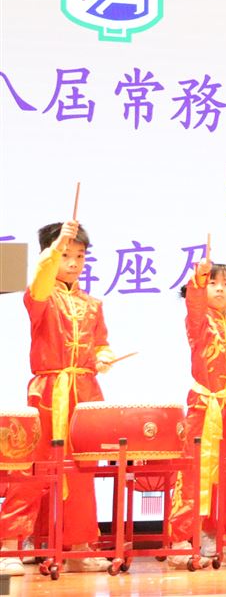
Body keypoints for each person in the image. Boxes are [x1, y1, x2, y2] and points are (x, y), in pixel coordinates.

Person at [0, 220, 114, 575]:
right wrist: (55, 248)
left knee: (81, 469)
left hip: (84, 392)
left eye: (79, 256)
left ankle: (78, 545)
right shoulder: (40, 296)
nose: (73, 262)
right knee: (34, 466)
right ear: (50, 256)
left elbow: (101, 343)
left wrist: (103, 358)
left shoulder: (92, 304)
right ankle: (11, 545)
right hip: (50, 391)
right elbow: (40, 280)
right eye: (66, 255)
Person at [166, 262, 226, 567]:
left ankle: (223, 536)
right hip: (205, 408)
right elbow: (194, 304)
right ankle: (181, 540)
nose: (219, 289)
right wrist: (198, 280)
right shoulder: (200, 322)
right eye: (213, 283)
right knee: (193, 472)